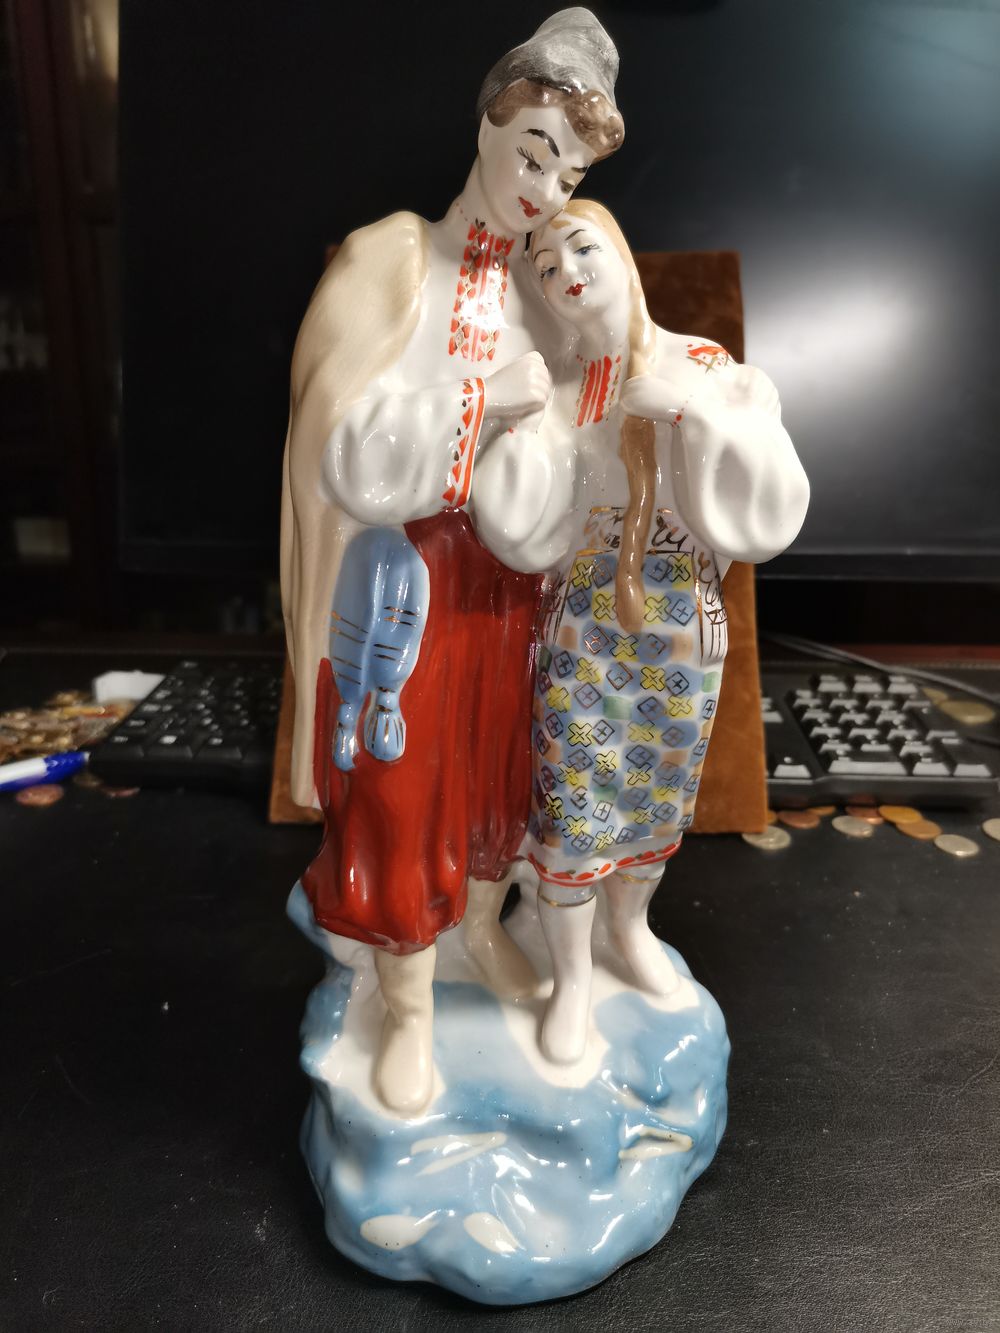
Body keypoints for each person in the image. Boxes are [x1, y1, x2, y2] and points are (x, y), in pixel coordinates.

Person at [281, 12, 625, 1115]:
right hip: (403, 575)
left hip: (511, 577)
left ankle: (479, 927)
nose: (544, 188)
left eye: (566, 173)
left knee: (496, 770)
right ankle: (408, 1002)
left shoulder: (546, 281)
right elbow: (338, 444)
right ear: (487, 126)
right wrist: (479, 404)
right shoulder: (392, 257)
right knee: (400, 782)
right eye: (533, 153)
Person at [471, 199, 810, 1063]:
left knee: (658, 792)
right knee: (574, 801)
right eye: (546, 266)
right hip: (584, 626)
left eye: (581, 249)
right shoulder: (559, 387)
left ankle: (631, 929)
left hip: (681, 621)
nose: (566, 273)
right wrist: (520, 429)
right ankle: (573, 977)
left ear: (620, 255)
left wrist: (698, 414)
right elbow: (521, 530)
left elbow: (770, 499)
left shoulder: (704, 364)